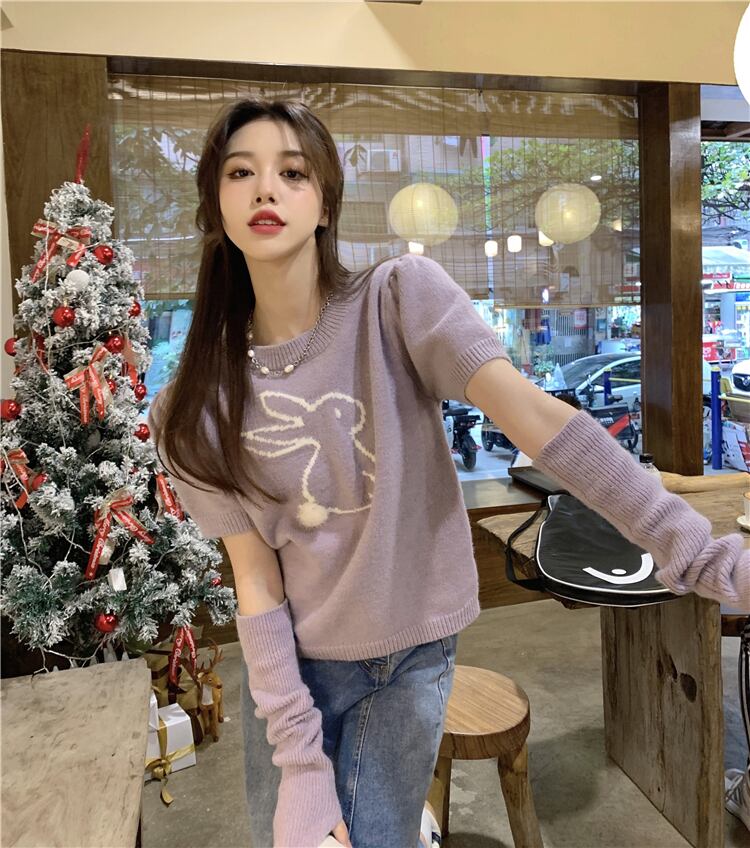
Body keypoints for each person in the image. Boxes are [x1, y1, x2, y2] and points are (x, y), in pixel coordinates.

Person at [148, 98, 750, 848]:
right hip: (295, 667)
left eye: (292, 172)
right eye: (241, 173)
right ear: (216, 204)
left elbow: (538, 421)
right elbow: (255, 582)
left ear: (326, 203)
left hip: (409, 658)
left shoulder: (399, 300)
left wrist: (697, 551)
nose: (266, 189)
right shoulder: (192, 405)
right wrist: (300, 766)